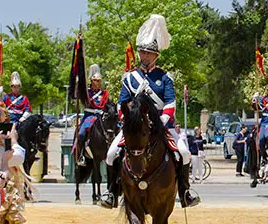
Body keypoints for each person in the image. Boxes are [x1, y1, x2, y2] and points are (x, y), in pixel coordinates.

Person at [100, 14, 200, 209]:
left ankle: (185, 192)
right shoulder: (129, 79)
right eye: (143, 53)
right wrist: (129, 119)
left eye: (149, 53)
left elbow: (171, 102)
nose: (145, 56)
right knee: (111, 154)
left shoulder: (164, 77)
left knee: (185, 153)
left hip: (162, 126)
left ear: (156, 56)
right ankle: (111, 192)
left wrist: (161, 120)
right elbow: (122, 103)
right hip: (134, 127)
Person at [75, 64, 110, 167]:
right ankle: (81, 155)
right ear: (91, 81)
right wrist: (77, 84)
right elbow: (78, 95)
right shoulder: (86, 92)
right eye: (96, 81)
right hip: (89, 117)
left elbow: (106, 105)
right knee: (81, 134)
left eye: (99, 81)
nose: (98, 83)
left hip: (101, 116)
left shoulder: (104, 93)